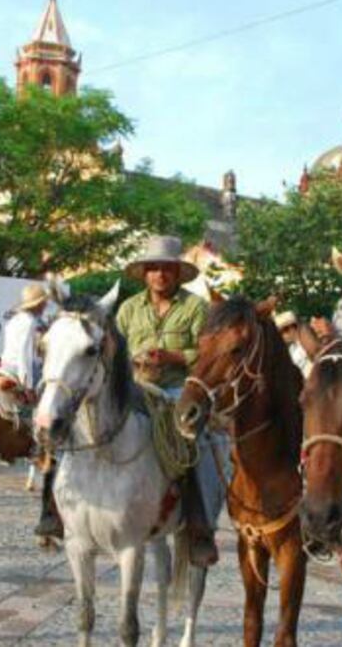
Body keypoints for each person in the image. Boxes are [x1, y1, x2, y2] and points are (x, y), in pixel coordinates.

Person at [116, 235, 221, 567]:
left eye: (166, 268)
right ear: (145, 273)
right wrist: (133, 361)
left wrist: (173, 356)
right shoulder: (128, 309)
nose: (160, 274)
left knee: (190, 444)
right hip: (136, 387)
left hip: (178, 389)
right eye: (153, 268)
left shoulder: (195, 307)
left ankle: (199, 523)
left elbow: (207, 355)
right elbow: (115, 352)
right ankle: (63, 509)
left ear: (177, 273)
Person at [0, 283, 63, 538]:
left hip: (6, 366)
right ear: (39, 303)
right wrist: (29, 385)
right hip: (18, 371)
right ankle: (38, 447)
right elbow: (26, 358)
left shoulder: (16, 320)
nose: (45, 305)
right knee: (46, 409)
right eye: (43, 302)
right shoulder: (30, 323)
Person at [274, 310, 312, 377]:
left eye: (284, 331)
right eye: (280, 333)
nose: (282, 336)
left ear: (292, 328)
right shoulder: (291, 349)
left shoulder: (307, 344)